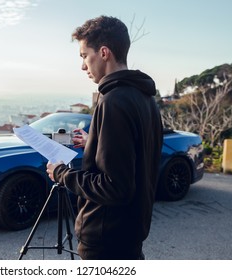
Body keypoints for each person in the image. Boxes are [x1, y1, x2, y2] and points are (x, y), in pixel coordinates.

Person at [46, 15, 163, 260]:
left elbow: (115, 188)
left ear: (104, 52)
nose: (82, 66)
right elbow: (135, 154)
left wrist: (61, 174)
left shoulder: (113, 101)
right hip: (130, 233)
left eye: (83, 56)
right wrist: (95, 141)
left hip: (106, 240)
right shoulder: (144, 98)